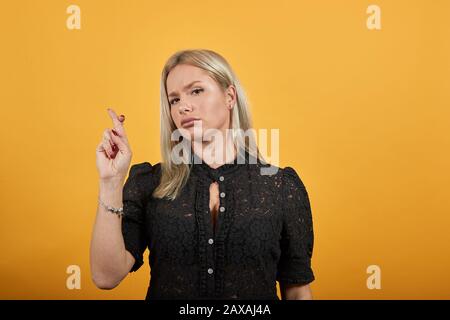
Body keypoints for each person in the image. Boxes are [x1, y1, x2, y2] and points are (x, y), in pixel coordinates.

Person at [90, 49, 315, 300]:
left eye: (196, 91)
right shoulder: (149, 183)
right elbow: (106, 276)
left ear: (230, 96)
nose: (183, 106)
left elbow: (297, 292)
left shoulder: (281, 187)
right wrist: (110, 182)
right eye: (174, 100)